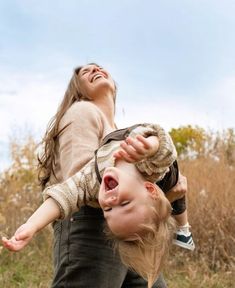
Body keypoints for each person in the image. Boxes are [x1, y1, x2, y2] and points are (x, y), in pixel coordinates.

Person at [2, 63, 189, 288]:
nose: (93, 69)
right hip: (90, 223)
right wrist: (31, 225)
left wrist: (160, 196)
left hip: (130, 230)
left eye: (97, 67)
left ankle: (183, 231)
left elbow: (162, 150)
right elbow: (75, 185)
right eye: (84, 72)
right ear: (77, 90)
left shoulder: (117, 131)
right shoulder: (83, 110)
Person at [2, 122, 178, 286]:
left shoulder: (92, 182)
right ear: (149, 189)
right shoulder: (150, 166)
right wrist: (152, 145)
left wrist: (31, 225)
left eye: (107, 209)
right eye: (125, 203)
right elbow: (167, 149)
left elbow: (64, 195)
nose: (110, 200)